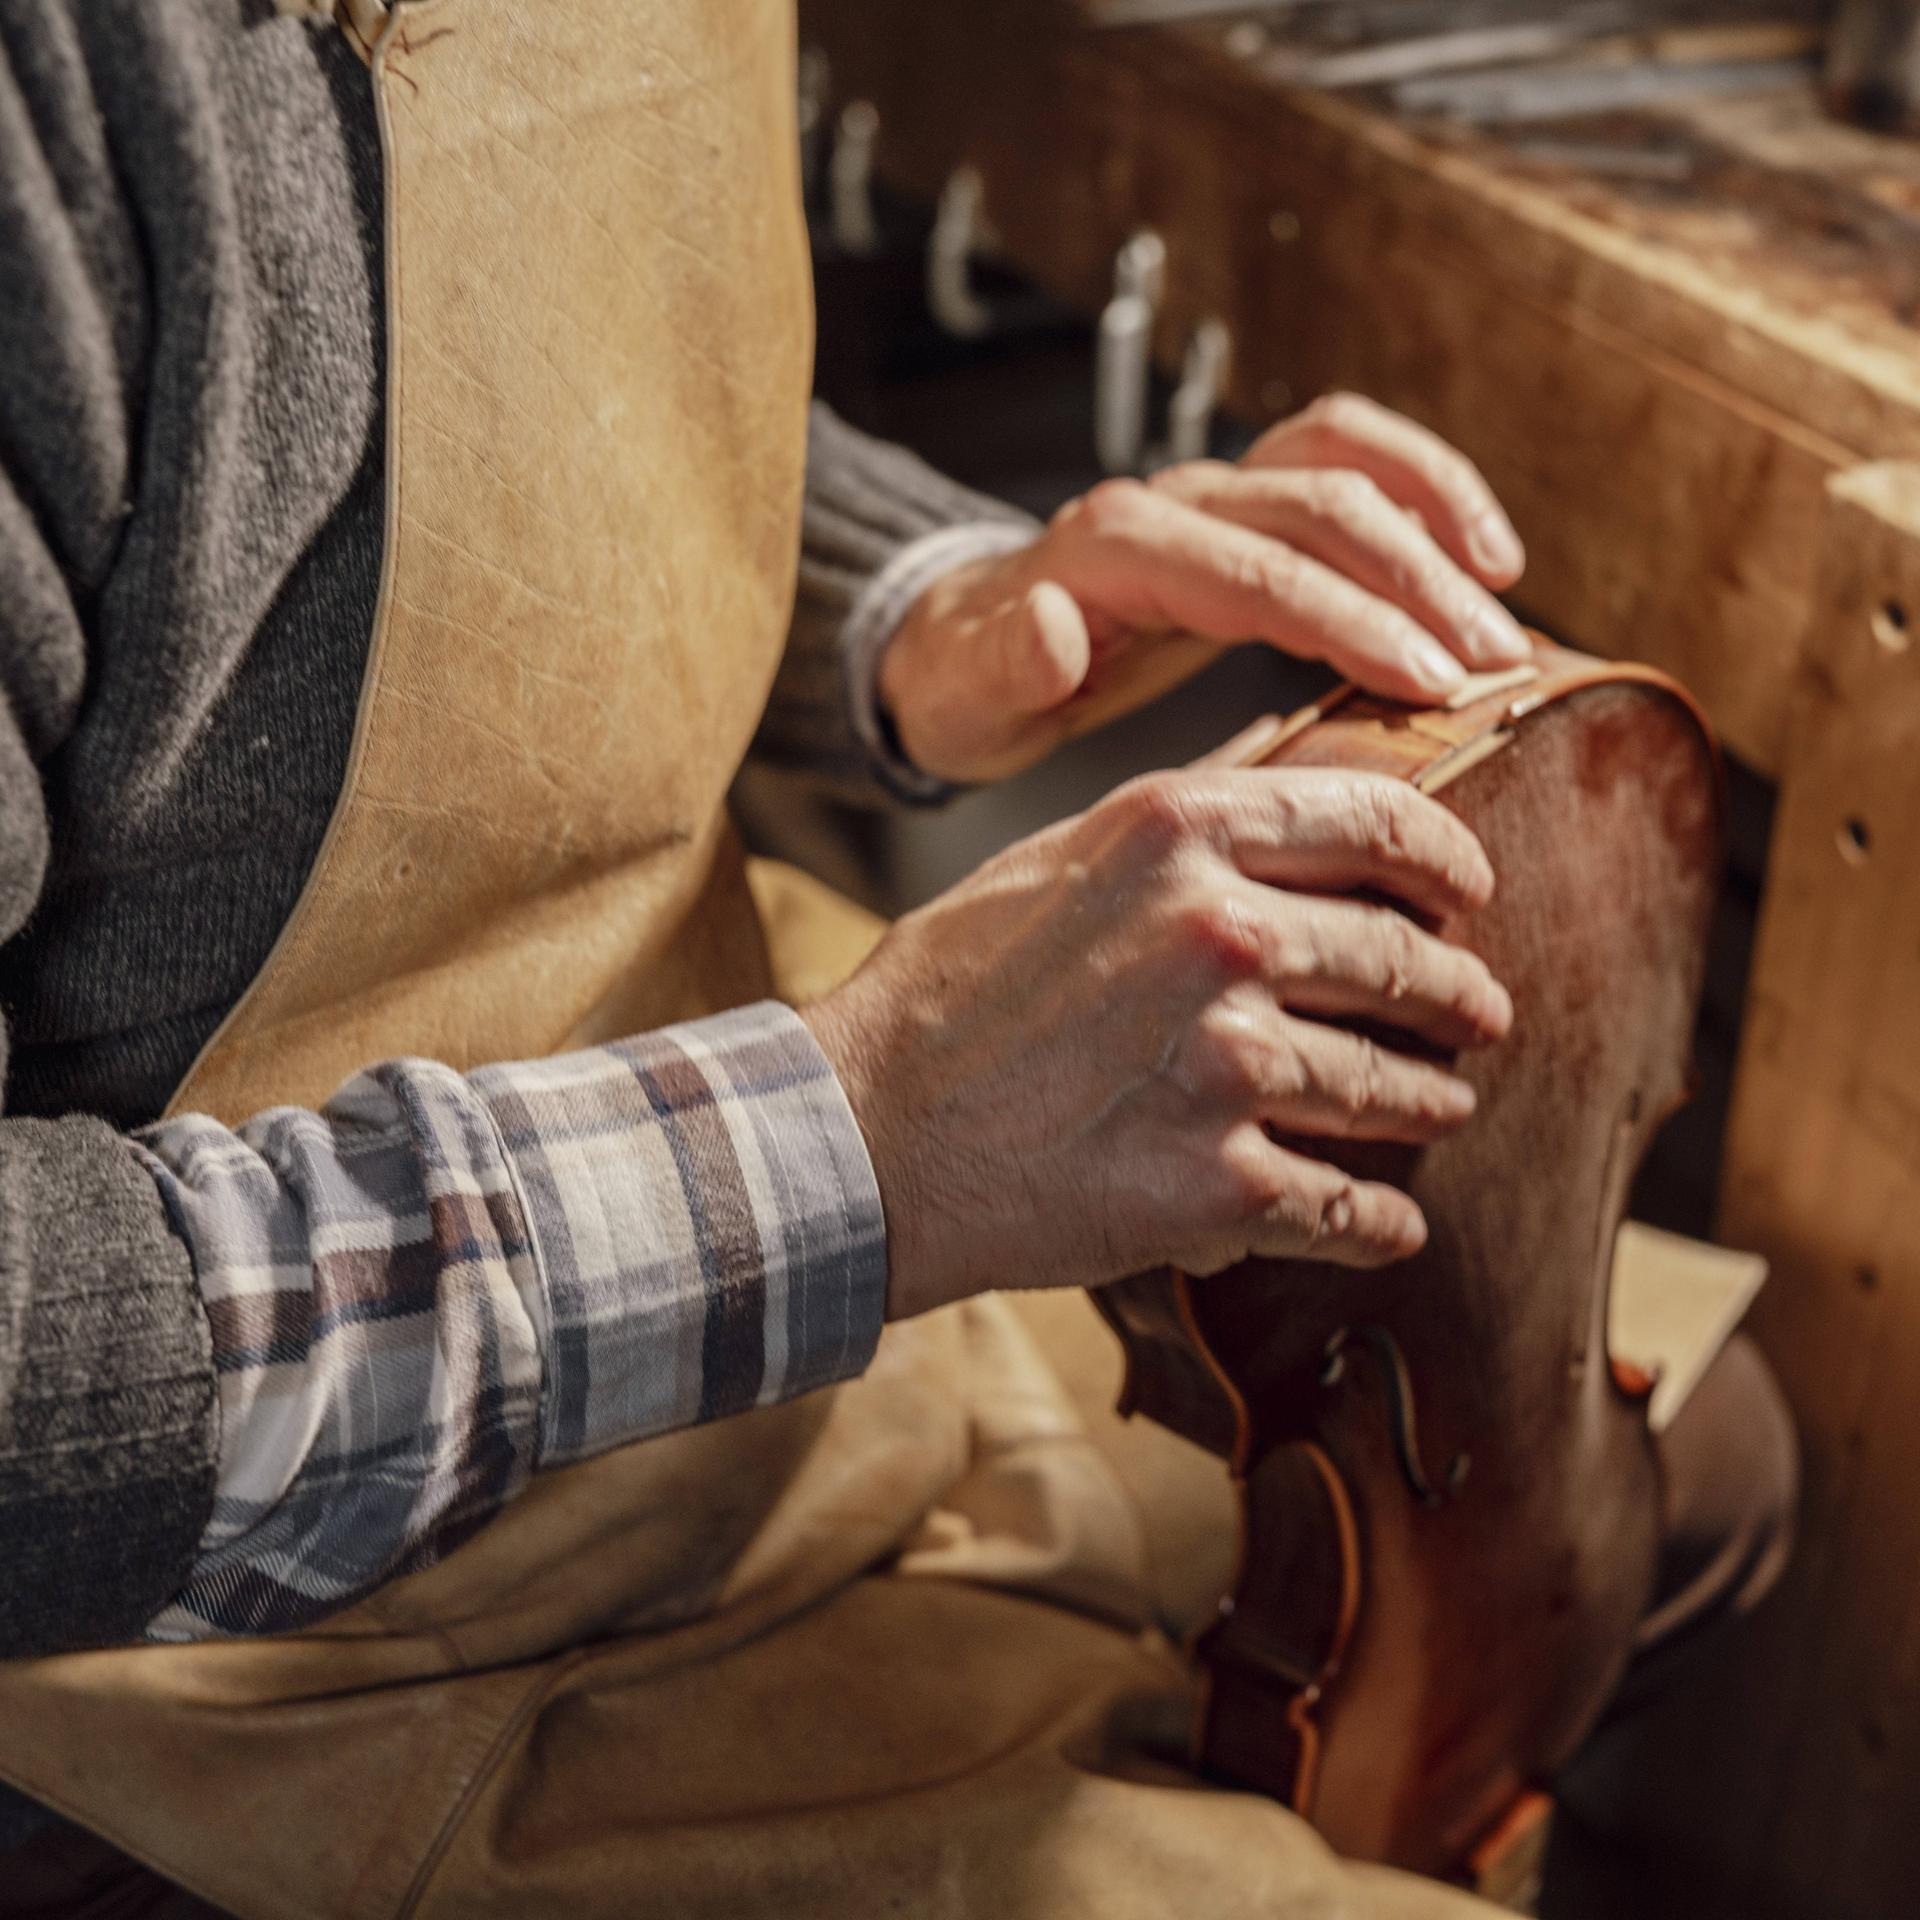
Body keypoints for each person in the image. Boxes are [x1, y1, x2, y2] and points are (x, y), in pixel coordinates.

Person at [0, 4, 1793, 1916]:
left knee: (1712, 1458)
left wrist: (926, 607)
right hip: (243, 1633)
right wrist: (856, 1137)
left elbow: (508, 348)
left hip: (695, 1156)